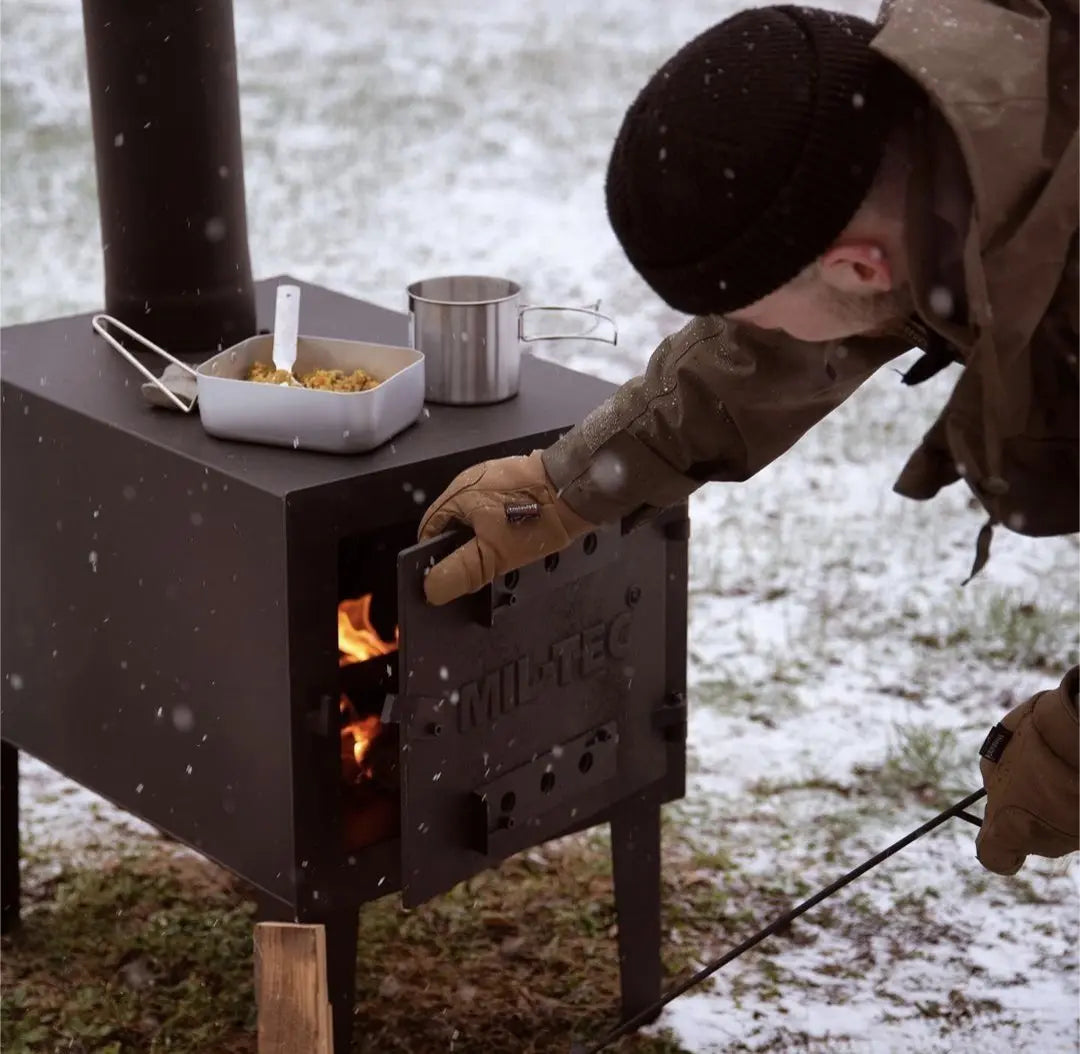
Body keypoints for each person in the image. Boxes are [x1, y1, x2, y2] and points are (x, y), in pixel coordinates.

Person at [418, 0, 1078, 875]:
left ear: (858, 266)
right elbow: (778, 349)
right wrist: (568, 485)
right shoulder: (946, 112)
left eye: (750, 306)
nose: (756, 329)